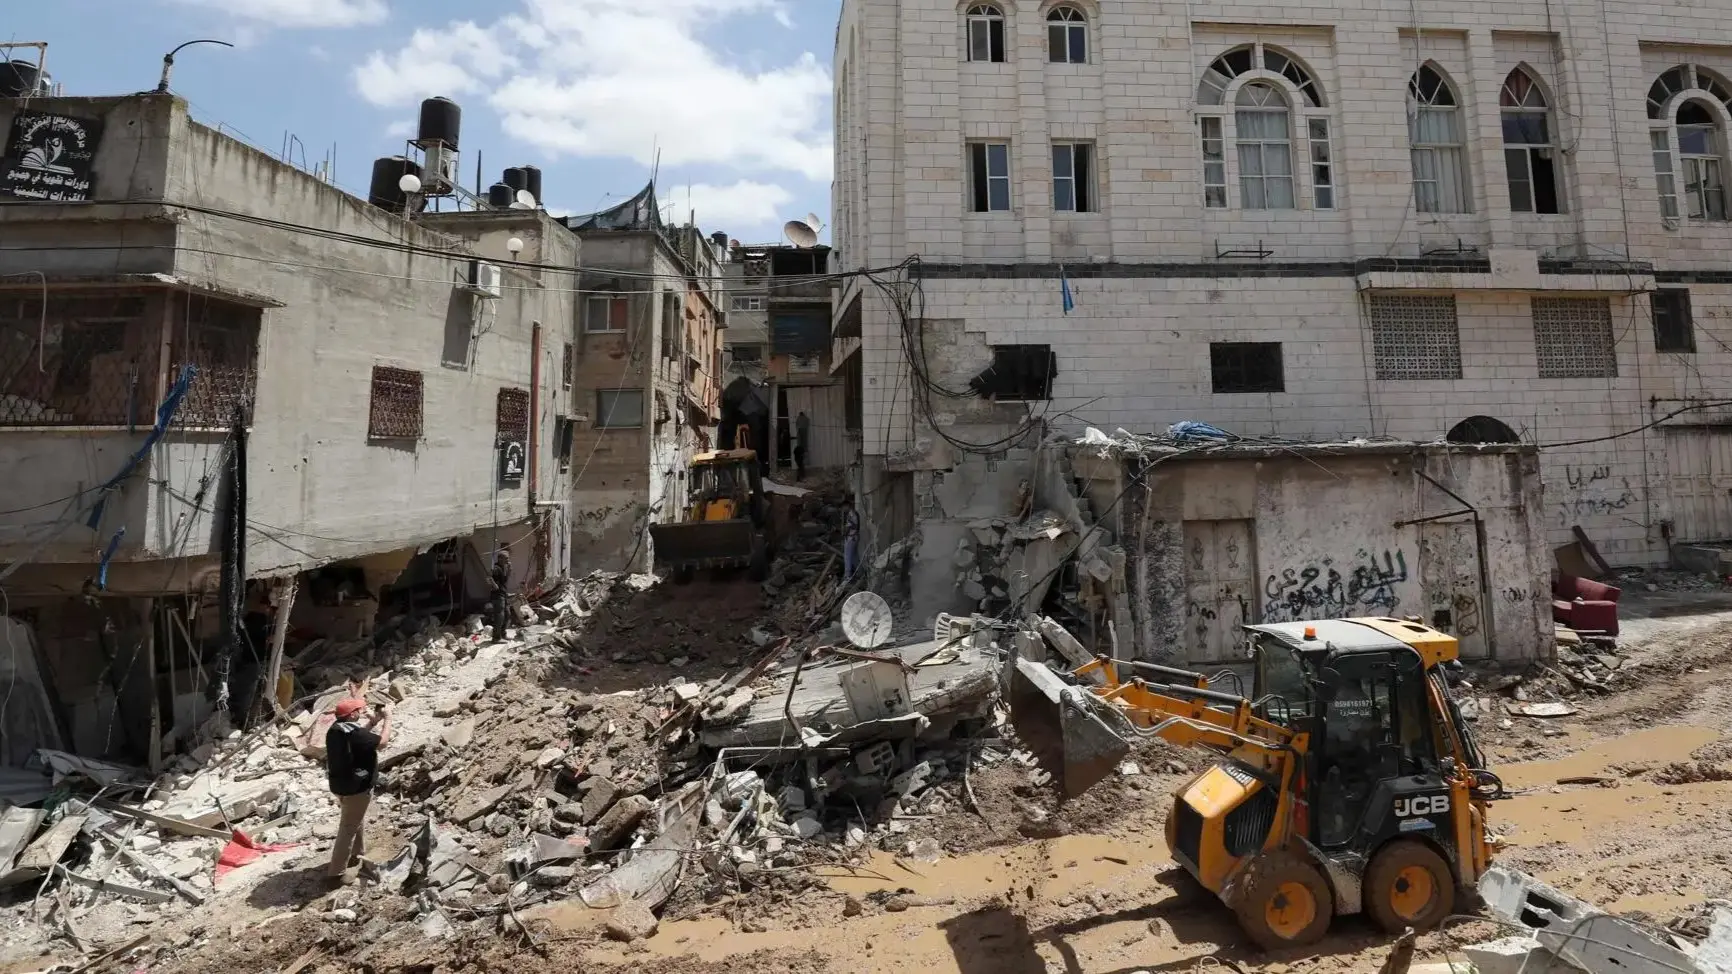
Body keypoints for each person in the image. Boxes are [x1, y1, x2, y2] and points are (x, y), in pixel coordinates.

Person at [325, 697, 390, 885]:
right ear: (352, 714)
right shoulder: (353, 732)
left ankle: (357, 854)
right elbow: (382, 742)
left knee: (354, 818)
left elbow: (358, 739)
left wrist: (372, 722)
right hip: (356, 786)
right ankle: (336, 874)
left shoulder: (337, 729)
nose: (363, 712)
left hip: (340, 784)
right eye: (360, 711)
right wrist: (388, 719)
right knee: (348, 827)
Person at [842, 495, 861, 579]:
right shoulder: (854, 513)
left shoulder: (851, 514)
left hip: (851, 537)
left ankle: (847, 576)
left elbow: (848, 527)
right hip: (855, 537)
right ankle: (860, 573)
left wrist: (843, 533)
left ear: (847, 506)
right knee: (854, 557)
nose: (843, 509)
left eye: (843, 507)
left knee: (847, 556)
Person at [794, 410, 810, 480]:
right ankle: (801, 476)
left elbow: (796, 424)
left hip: (799, 456)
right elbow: (808, 421)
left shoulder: (798, 419)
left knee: (800, 467)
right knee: (801, 466)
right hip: (801, 454)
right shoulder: (806, 418)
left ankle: (800, 477)